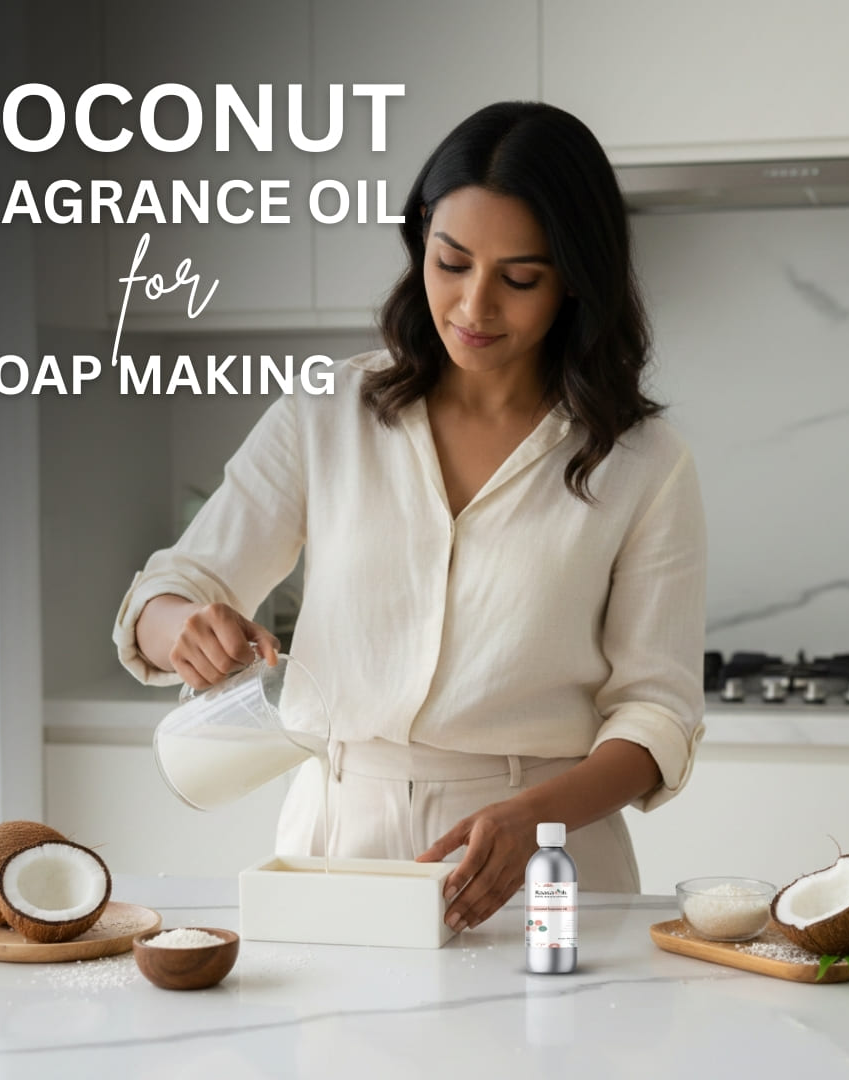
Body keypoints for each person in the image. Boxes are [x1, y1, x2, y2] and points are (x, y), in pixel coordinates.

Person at [114, 101, 706, 934]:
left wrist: (537, 818)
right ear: (421, 236)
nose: (474, 306)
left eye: (519, 279)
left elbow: (657, 714)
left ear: (575, 277)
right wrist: (182, 627)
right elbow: (168, 591)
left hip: (544, 859)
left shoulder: (644, 460)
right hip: (336, 849)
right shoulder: (327, 412)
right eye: (451, 262)